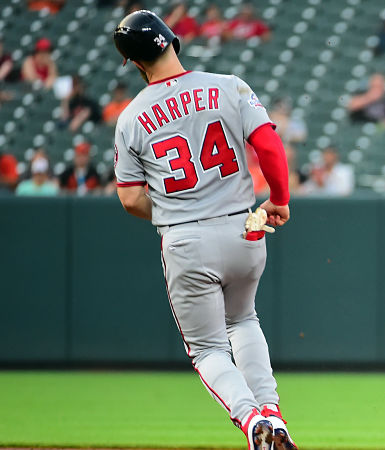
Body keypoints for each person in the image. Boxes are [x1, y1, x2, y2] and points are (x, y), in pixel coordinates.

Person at [111, 10, 296, 450]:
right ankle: (274, 415)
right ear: (173, 41)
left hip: (187, 238)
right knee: (245, 320)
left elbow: (131, 199)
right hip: (244, 228)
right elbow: (268, 143)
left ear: (135, 64)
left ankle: (252, 422)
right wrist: (280, 199)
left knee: (209, 350)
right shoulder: (229, 85)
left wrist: (176, 207)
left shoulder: (131, 117)